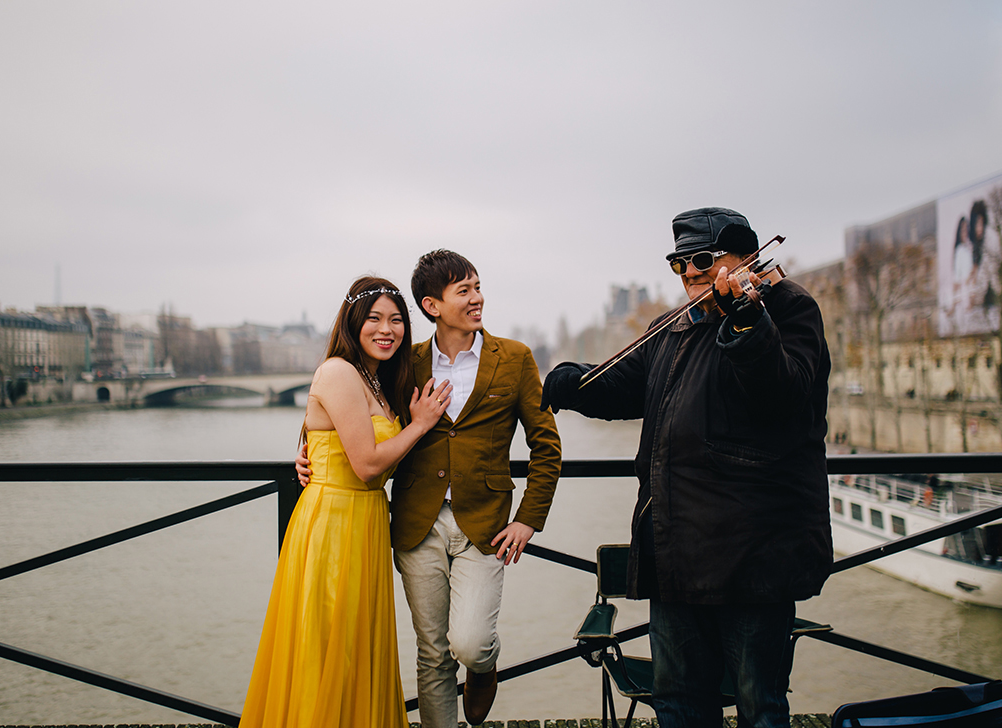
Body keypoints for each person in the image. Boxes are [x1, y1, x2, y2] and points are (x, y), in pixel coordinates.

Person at [541, 207, 833, 728]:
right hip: (676, 550)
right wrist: (565, 382)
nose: (691, 273)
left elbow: (783, 394)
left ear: (745, 257)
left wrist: (746, 319)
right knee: (677, 701)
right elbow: (620, 386)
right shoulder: (673, 327)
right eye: (680, 263)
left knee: (759, 703)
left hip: (753, 553)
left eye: (702, 259)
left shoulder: (789, 309)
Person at [297, 250, 562, 727]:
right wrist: (306, 453)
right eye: (465, 290)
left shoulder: (516, 359)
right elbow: (354, 415)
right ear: (432, 305)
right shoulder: (405, 363)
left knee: (471, 643)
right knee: (432, 653)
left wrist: (528, 519)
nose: (478, 298)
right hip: (415, 524)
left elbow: (547, 446)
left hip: (486, 525)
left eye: (478, 287)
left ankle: (484, 669)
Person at [241, 276, 451, 728]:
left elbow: (341, 442)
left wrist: (312, 453)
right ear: (352, 322)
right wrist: (419, 424)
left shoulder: (378, 380)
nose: (386, 329)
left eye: (396, 320)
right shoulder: (338, 371)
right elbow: (368, 465)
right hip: (332, 526)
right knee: (326, 645)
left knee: (357, 647)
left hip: (368, 522)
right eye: (374, 318)